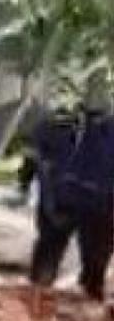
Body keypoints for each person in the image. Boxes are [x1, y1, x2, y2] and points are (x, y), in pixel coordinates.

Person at [22, 104, 114, 300]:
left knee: (83, 258)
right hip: (86, 200)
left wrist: (26, 183)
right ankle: (40, 295)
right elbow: (32, 161)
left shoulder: (48, 126)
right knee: (90, 259)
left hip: (80, 200)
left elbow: (31, 162)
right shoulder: (50, 126)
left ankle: (41, 295)